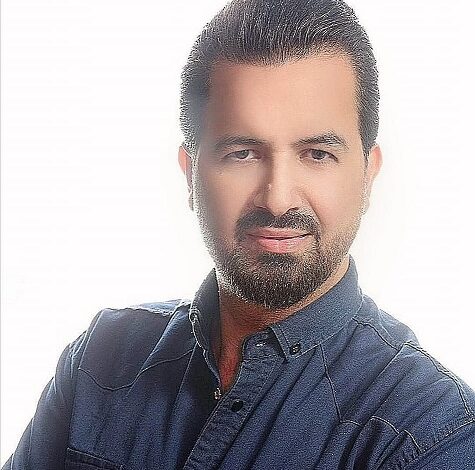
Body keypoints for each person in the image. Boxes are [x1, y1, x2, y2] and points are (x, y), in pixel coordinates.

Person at [3, 0, 475, 468]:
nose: (278, 199)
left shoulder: (432, 433)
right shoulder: (99, 359)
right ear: (190, 174)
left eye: (317, 154)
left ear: (368, 176)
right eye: (242, 153)